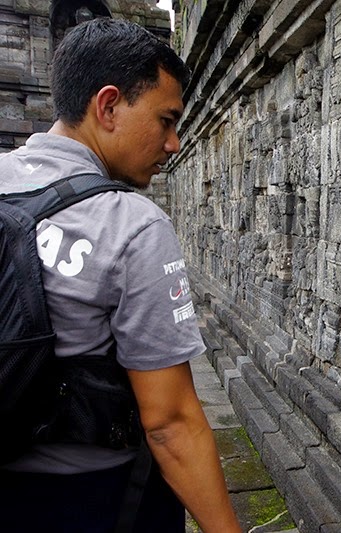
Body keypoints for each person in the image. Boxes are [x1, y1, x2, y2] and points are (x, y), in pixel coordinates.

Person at [0, 18, 240, 533]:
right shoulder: (131, 225)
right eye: (166, 120)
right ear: (108, 106)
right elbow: (171, 425)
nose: (174, 143)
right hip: (97, 498)